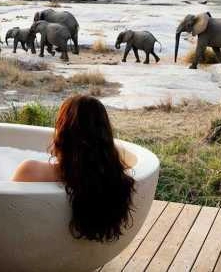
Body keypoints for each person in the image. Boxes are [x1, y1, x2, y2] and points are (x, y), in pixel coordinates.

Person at [12, 95, 136, 242]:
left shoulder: (30, 171)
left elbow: (7, 214)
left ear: (64, 130)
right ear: (104, 133)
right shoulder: (115, 181)